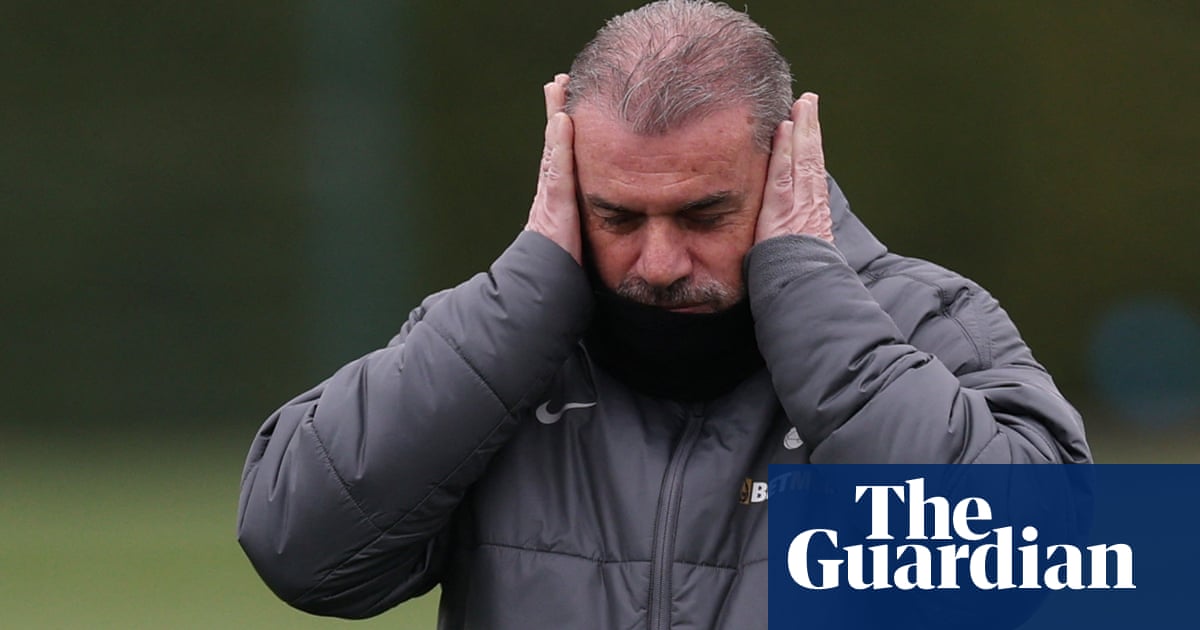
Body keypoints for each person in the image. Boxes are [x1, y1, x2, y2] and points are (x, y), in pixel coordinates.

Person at [237, 1, 1091, 627]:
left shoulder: (927, 321)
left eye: (703, 215)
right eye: (617, 217)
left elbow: (1023, 566)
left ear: (787, 160)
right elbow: (302, 550)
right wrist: (525, 297)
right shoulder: (499, 339)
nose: (658, 263)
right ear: (565, 172)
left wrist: (810, 302)